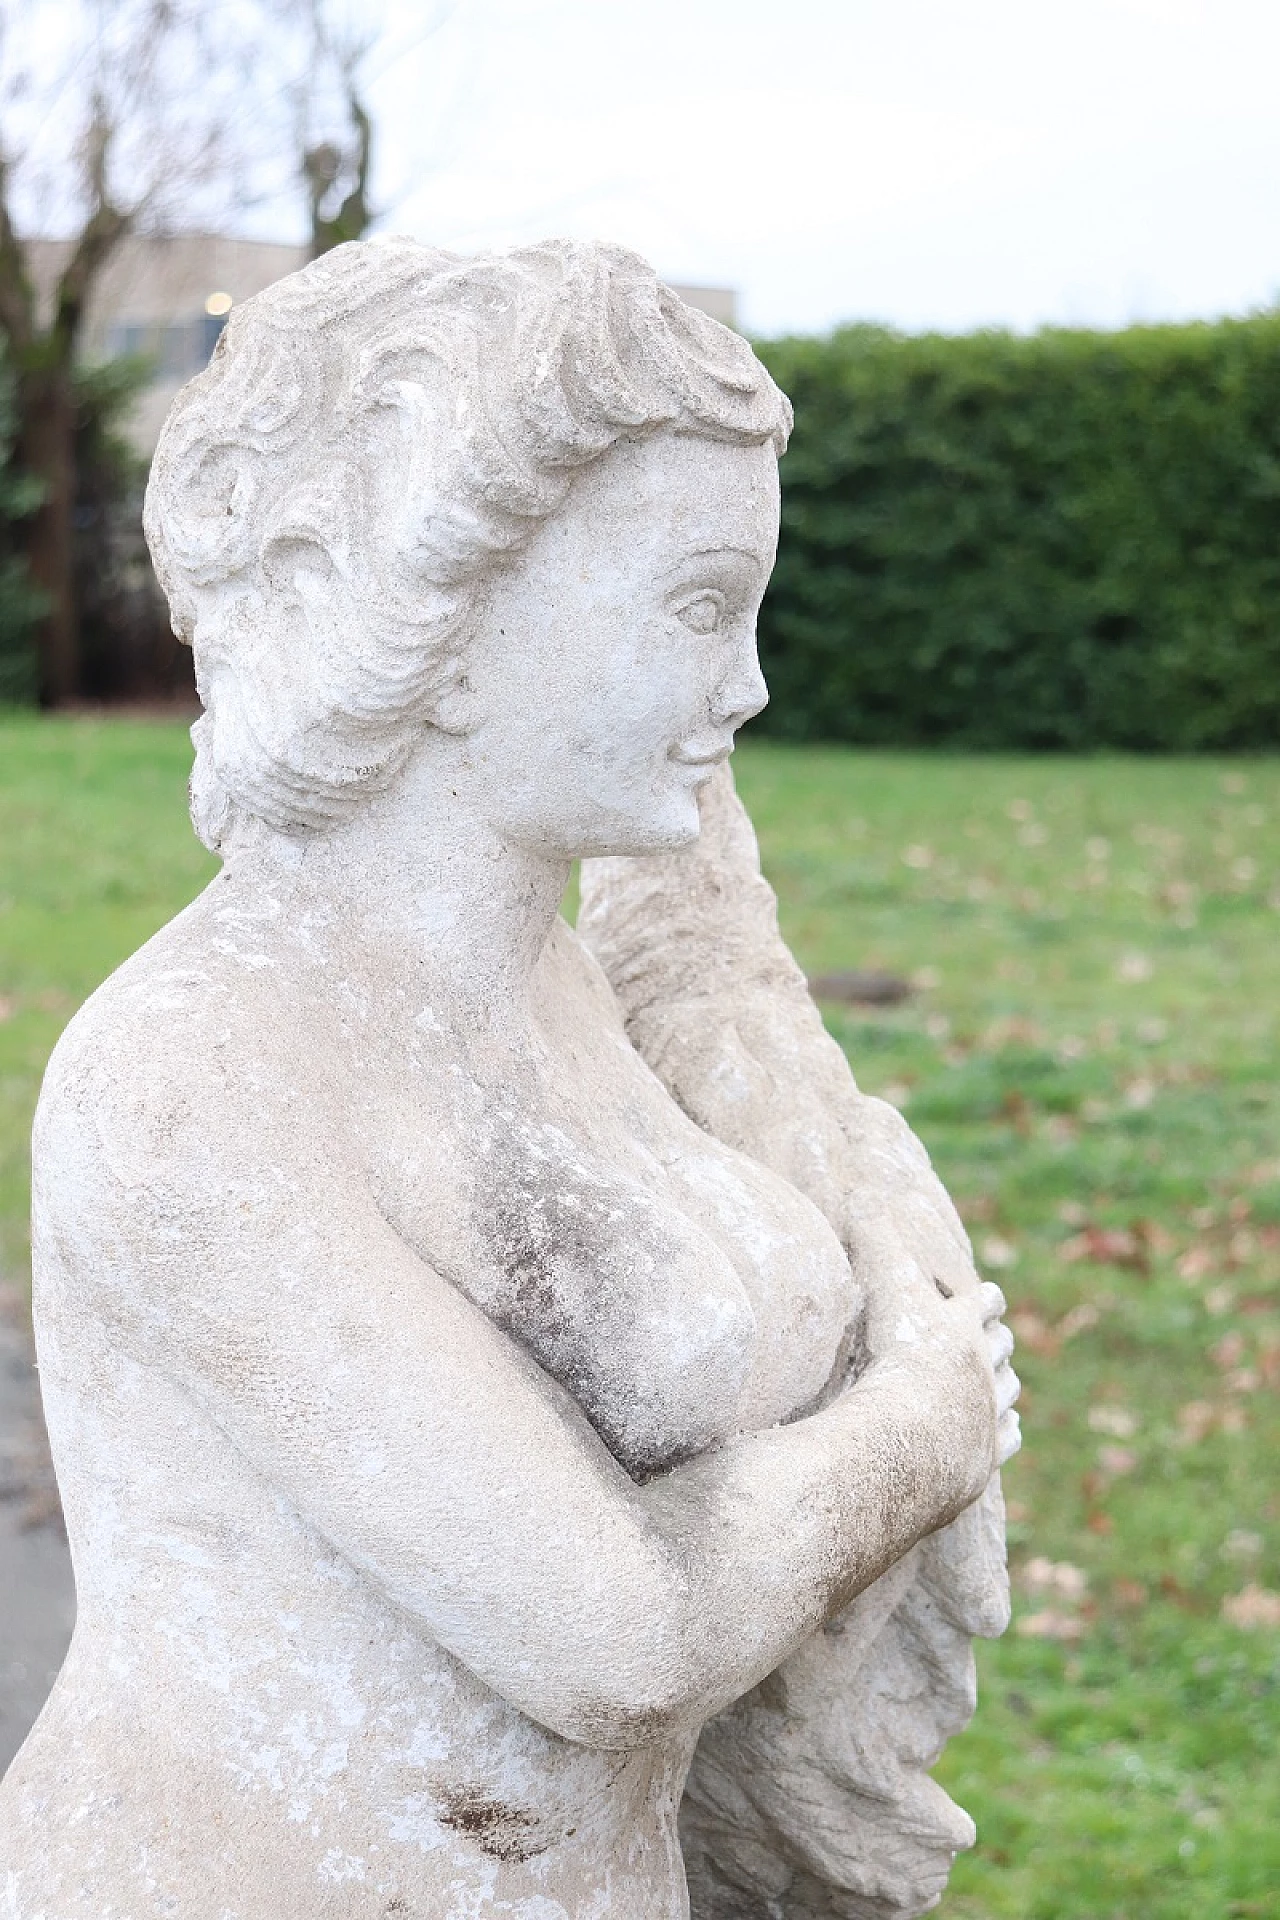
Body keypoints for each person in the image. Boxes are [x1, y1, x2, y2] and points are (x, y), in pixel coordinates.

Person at [0, 239, 1017, 1918]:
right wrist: (921, 1426)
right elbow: (621, 1636)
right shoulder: (189, 1085)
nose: (748, 687)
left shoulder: (559, 972)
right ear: (442, 617)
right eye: (697, 607)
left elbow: (730, 1007)